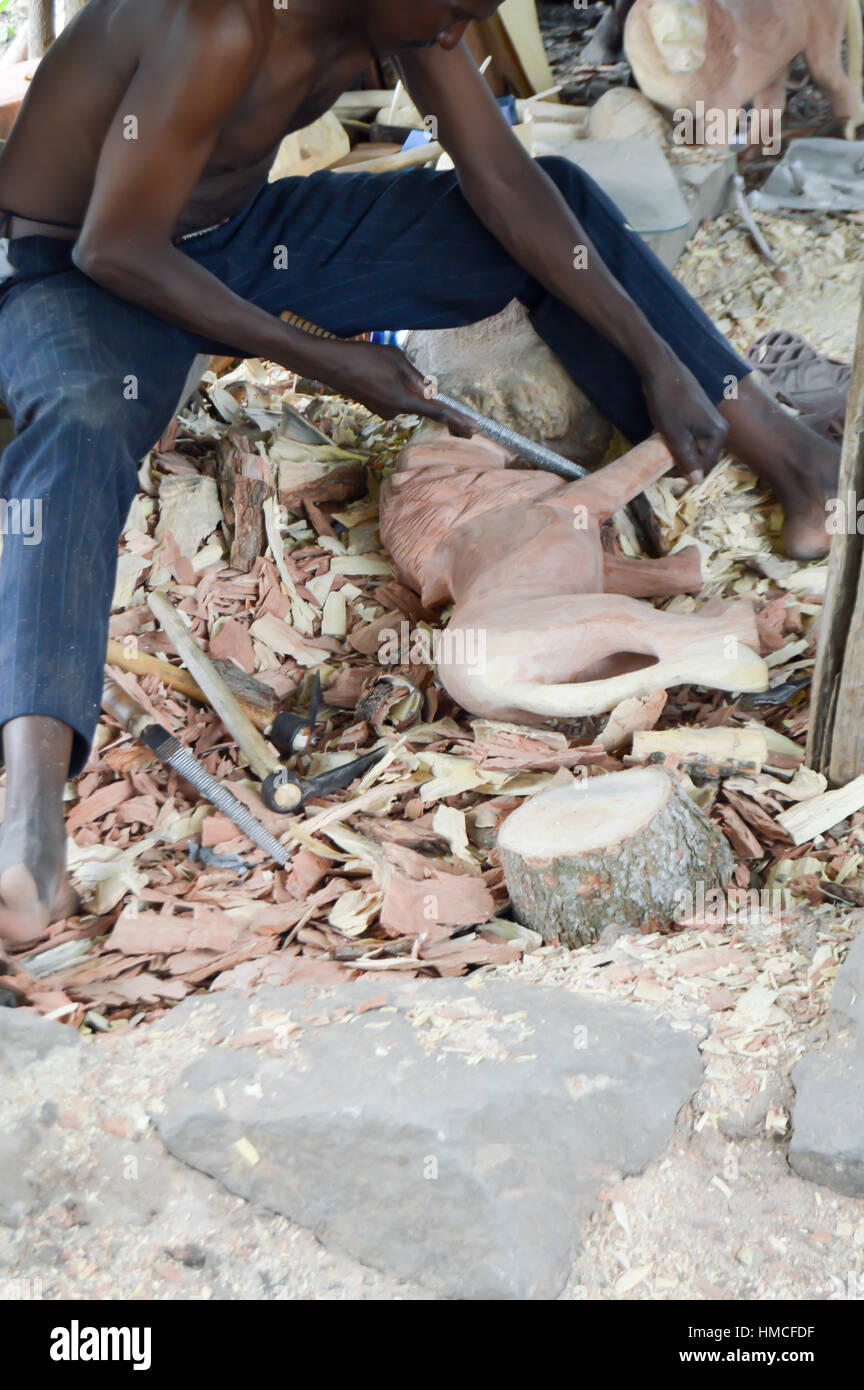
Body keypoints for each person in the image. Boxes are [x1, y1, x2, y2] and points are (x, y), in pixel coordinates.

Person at [0, 0, 838, 945]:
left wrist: (654, 357)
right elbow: (113, 245)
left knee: (556, 194)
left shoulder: (413, 14)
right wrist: (326, 356)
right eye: (455, 9)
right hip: (74, 265)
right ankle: (30, 815)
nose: (459, 31)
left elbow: (505, 181)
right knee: (79, 421)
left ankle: (790, 455)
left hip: (231, 236)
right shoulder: (218, 25)